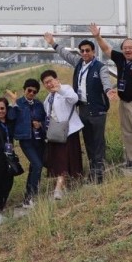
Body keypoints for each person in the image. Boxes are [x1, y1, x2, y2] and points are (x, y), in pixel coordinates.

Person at [44, 32, 111, 184]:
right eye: (82, 51)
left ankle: (99, 174)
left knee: (98, 143)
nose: (85, 53)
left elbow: (106, 81)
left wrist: (108, 90)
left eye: (88, 50)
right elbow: (65, 54)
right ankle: (93, 173)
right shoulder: (79, 63)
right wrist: (53, 43)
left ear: (93, 52)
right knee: (88, 143)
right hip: (83, 109)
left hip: (98, 110)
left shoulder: (100, 67)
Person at [92, 24, 132, 169]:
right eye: (125, 48)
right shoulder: (120, 58)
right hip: (124, 102)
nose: (127, 50)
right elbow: (106, 49)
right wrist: (97, 36)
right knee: (128, 131)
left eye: (130, 48)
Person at [40, 69, 84, 199]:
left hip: (70, 131)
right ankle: (63, 187)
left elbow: (74, 99)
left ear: (56, 79)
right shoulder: (47, 100)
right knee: (61, 161)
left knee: (69, 159)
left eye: (50, 81)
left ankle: (59, 188)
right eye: (46, 83)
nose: (49, 84)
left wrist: (60, 90)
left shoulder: (65, 89)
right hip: (57, 135)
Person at [5, 79, 47, 206]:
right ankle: (31, 196)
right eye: (29, 90)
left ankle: (29, 197)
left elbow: (45, 119)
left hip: (39, 140)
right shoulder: (18, 103)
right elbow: (10, 117)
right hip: (26, 140)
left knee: (34, 166)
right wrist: (13, 102)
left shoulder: (39, 104)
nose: (31, 93)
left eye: (34, 91)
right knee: (38, 165)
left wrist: (40, 124)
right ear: (24, 90)